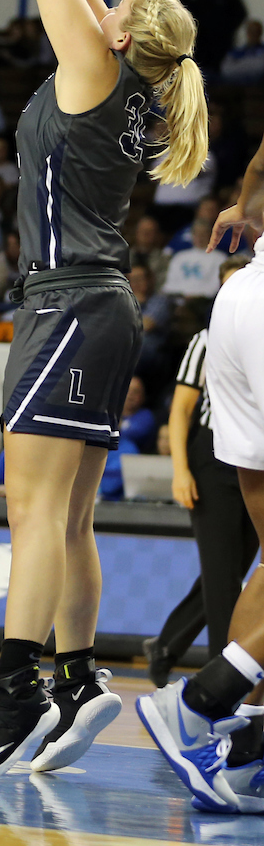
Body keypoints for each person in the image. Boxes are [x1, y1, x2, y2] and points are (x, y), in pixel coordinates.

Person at [0, 0, 208, 785]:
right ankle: (75, 677)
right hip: (96, 307)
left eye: (120, 4)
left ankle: (19, 689)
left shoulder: (95, 72)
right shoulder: (137, 82)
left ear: (119, 35)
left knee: (33, 508)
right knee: (66, 514)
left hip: (66, 304)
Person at [137, 137, 264, 813]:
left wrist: (245, 205)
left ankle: (243, 750)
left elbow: (258, 162)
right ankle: (197, 702)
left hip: (241, 298)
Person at [144, 257, 258, 688]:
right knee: (224, 575)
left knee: (228, 570)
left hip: (252, 454)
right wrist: (179, 470)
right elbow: (180, 410)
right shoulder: (205, 340)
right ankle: (220, 679)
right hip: (210, 457)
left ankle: (167, 645)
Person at [219, 20, 264, 86]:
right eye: (251, 32)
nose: (253, 35)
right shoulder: (237, 52)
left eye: (256, 32)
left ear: (260, 33)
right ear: (247, 33)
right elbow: (226, 70)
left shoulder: (262, 51)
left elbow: (260, 69)